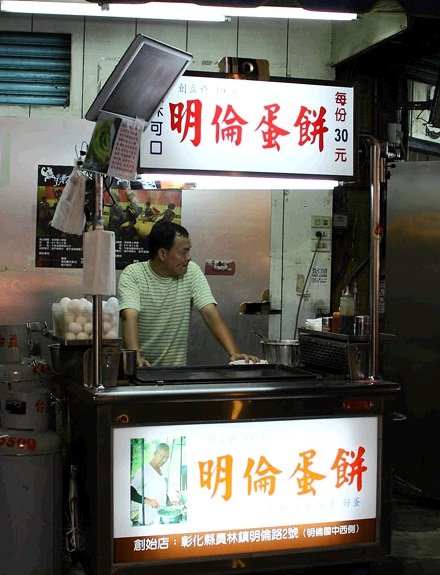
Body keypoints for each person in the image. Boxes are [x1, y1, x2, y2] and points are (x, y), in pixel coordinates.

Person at [117, 220, 260, 367]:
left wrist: (235, 354)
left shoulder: (191, 271)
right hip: (140, 370)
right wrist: (135, 358)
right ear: (162, 254)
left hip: (175, 373)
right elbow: (129, 317)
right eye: (183, 252)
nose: (189, 257)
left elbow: (210, 314)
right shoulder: (133, 274)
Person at [130, 443, 177, 526]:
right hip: (148, 520)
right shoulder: (145, 470)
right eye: (162, 456)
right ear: (155, 453)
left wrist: (169, 502)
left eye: (166, 457)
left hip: (160, 519)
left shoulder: (161, 471)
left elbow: (160, 491)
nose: (164, 460)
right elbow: (130, 492)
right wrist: (148, 501)